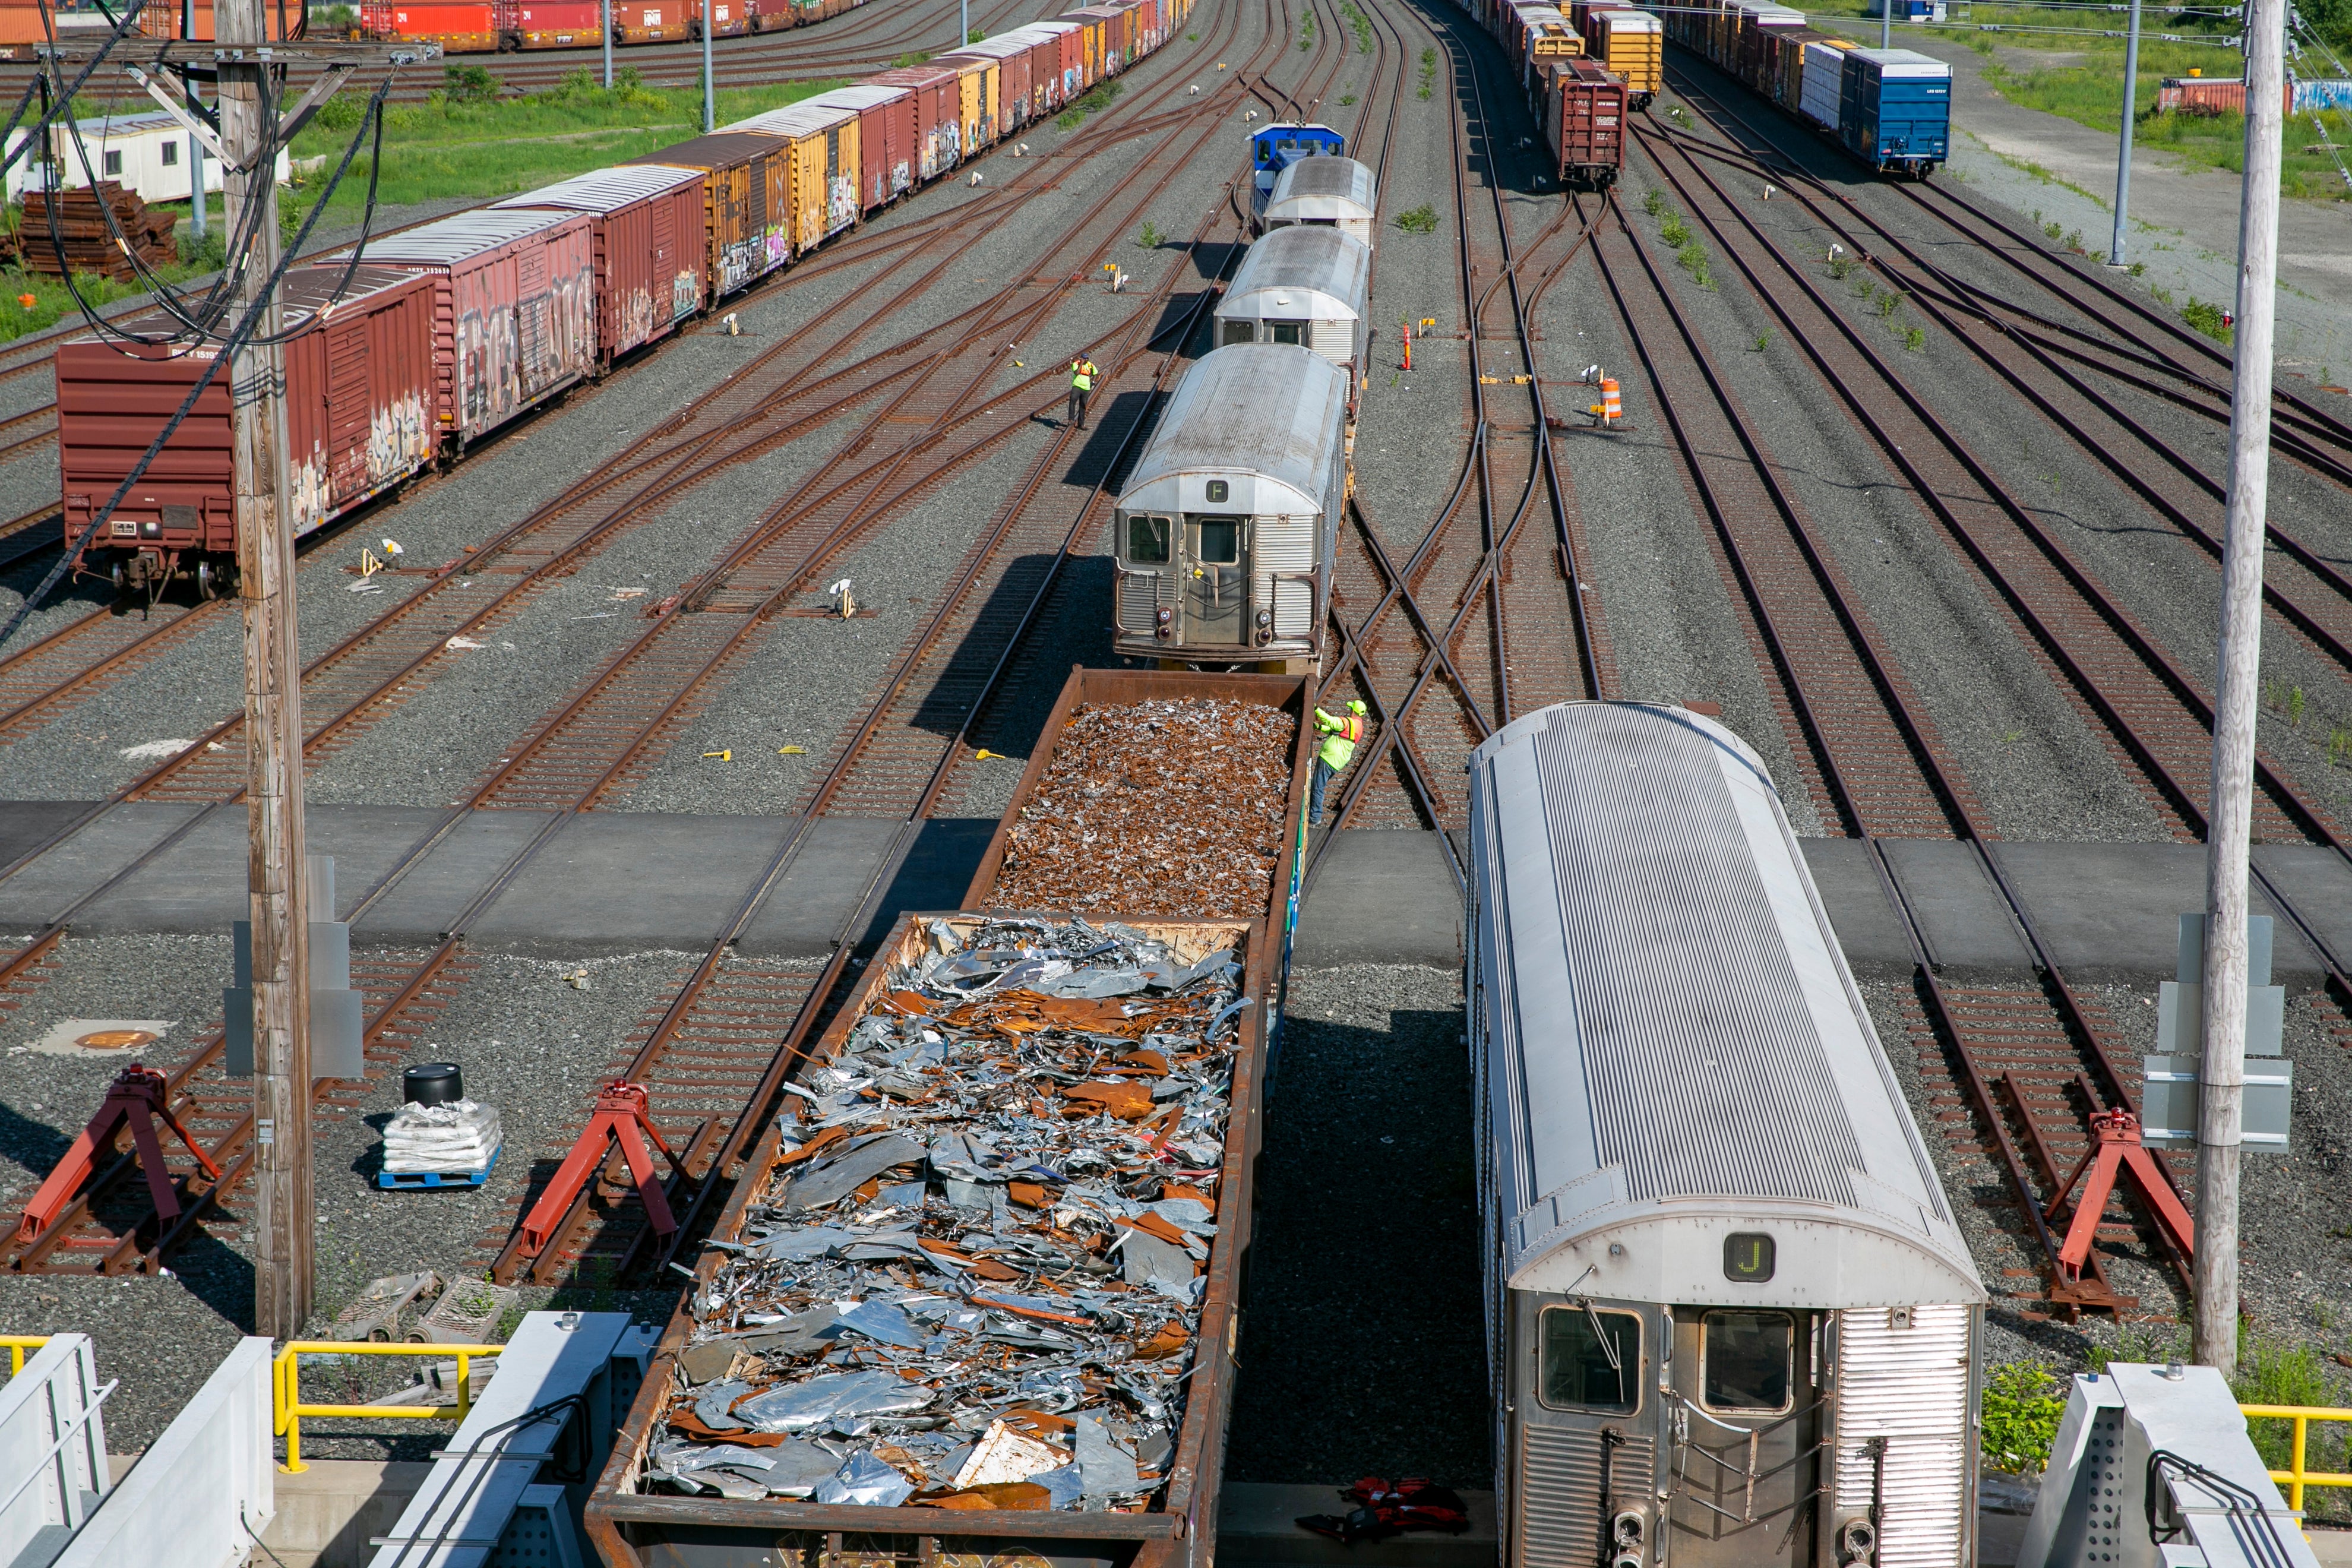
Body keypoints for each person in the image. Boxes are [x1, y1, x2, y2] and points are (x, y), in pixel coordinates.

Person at [1310, 700, 1368, 826]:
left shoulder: (1348, 722)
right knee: (1319, 785)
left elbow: (1331, 721)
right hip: (1338, 762)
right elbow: (1335, 733)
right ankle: (1314, 813)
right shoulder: (1358, 727)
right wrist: (1319, 727)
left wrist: (1315, 709)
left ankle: (1315, 817)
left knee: (1318, 786)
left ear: (1353, 711)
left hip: (1329, 758)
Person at [1067, 356, 1097, 430]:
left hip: (1086, 388)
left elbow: (1095, 372)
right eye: (1084, 358)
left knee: (1083, 405)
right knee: (1073, 400)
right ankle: (1071, 419)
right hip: (1077, 386)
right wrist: (1081, 364)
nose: (1086, 360)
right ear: (1081, 359)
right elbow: (1077, 373)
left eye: (1087, 358)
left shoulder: (1090, 365)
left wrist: (1093, 382)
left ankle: (1081, 424)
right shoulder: (1076, 364)